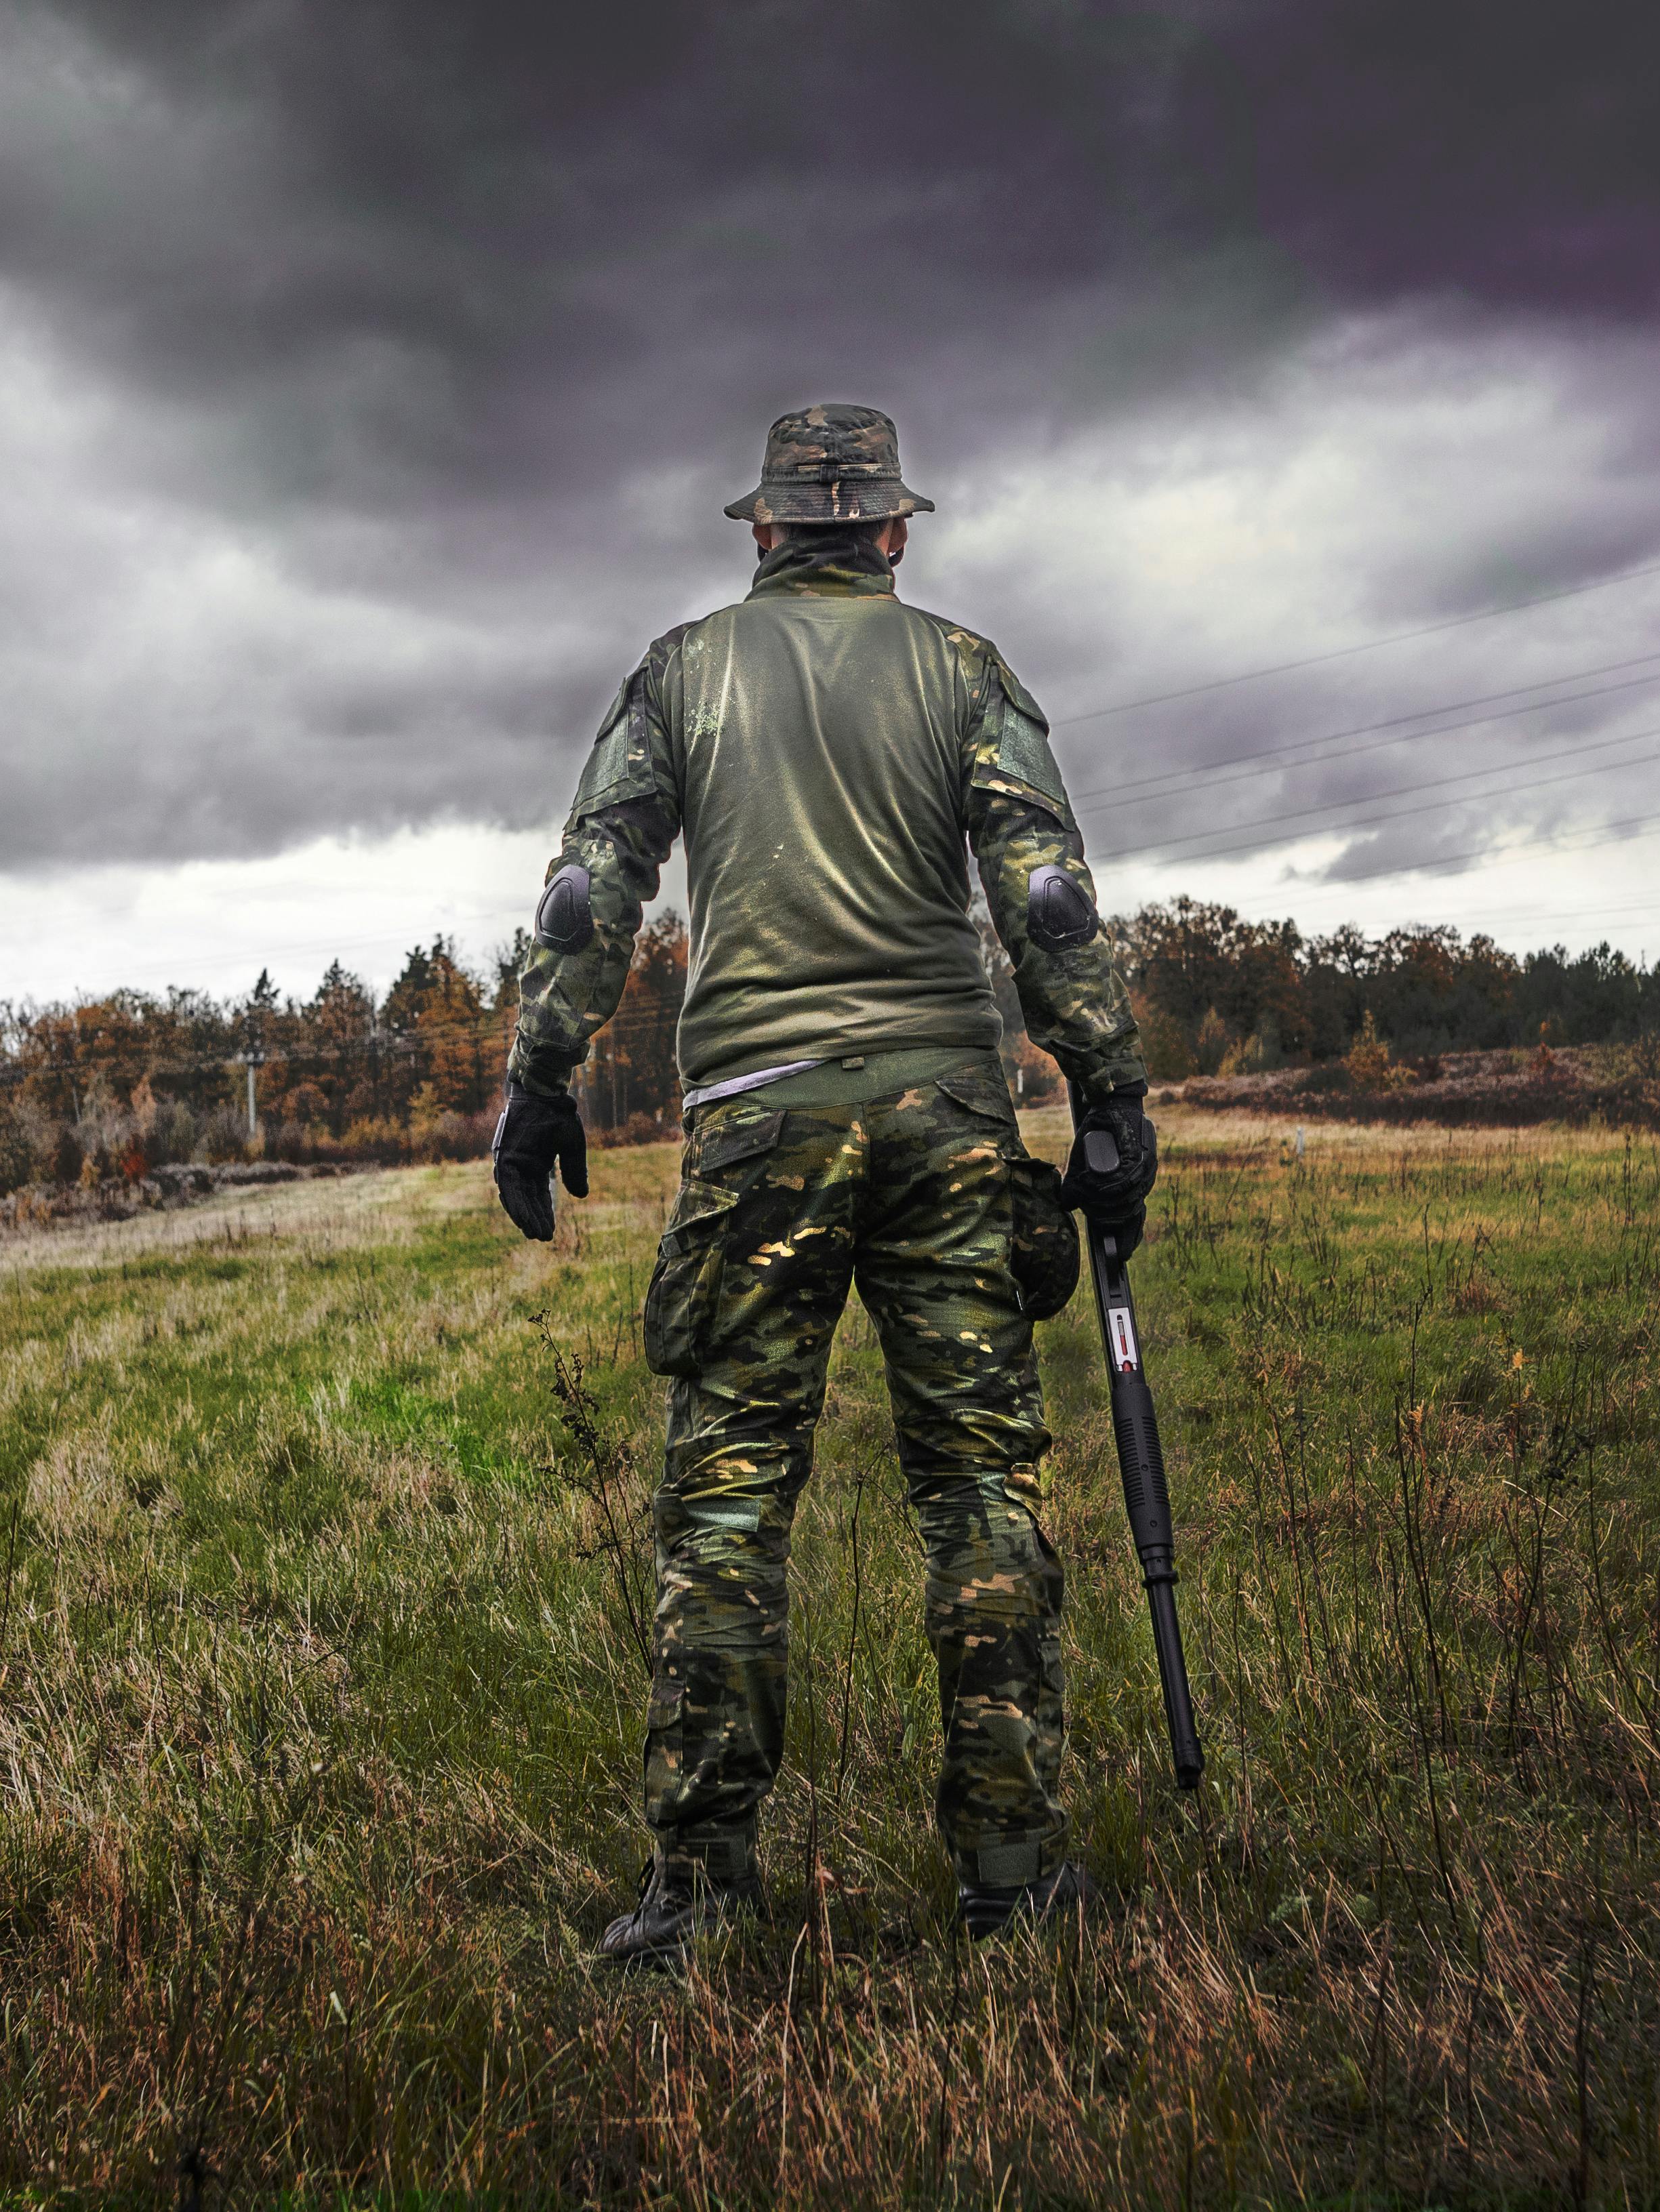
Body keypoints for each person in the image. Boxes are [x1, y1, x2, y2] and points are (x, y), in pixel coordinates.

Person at [492, 403, 1160, 1965]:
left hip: (755, 1124)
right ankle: (1012, 1874)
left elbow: (593, 884)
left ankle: (699, 1900)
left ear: (763, 530)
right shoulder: (965, 670)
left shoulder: (680, 673)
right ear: (894, 532)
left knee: (726, 1507)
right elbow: (1045, 894)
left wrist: (540, 1071)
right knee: (978, 1488)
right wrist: (1108, 1091)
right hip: (948, 1118)